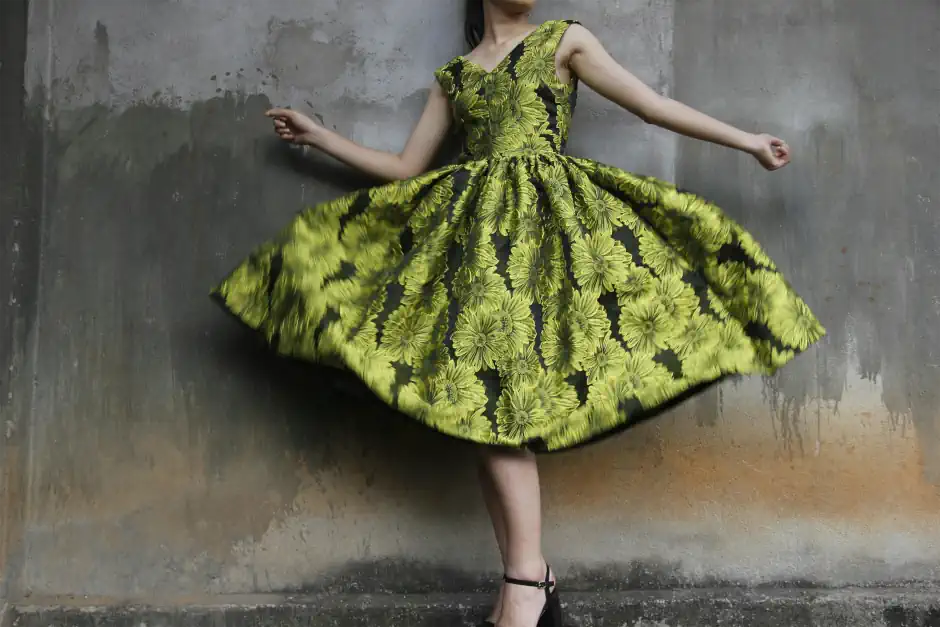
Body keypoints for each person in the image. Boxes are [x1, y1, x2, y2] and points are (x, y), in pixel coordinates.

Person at [211, 1, 825, 625]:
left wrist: (746, 140)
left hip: (546, 244)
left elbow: (650, 104)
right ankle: (532, 582)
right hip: (474, 252)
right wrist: (320, 136)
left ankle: (525, 584)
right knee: (480, 411)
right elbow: (404, 169)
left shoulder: (565, 41)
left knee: (501, 411)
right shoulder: (457, 75)